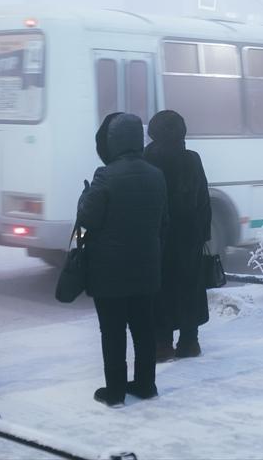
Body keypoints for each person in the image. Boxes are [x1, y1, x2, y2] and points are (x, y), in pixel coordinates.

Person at [77, 112, 168, 407]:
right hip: (147, 267)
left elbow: (87, 217)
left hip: (110, 271)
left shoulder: (105, 175)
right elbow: (163, 221)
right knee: (143, 328)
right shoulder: (156, 174)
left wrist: (85, 195)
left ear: (113, 141)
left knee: (113, 331)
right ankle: (145, 384)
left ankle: (115, 391)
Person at [144, 110, 211, 361]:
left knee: (159, 290)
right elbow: (203, 201)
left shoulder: (146, 159)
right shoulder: (192, 160)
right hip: (188, 238)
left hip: (156, 239)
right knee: (188, 287)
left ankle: (162, 344)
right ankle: (189, 342)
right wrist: (202, 234)